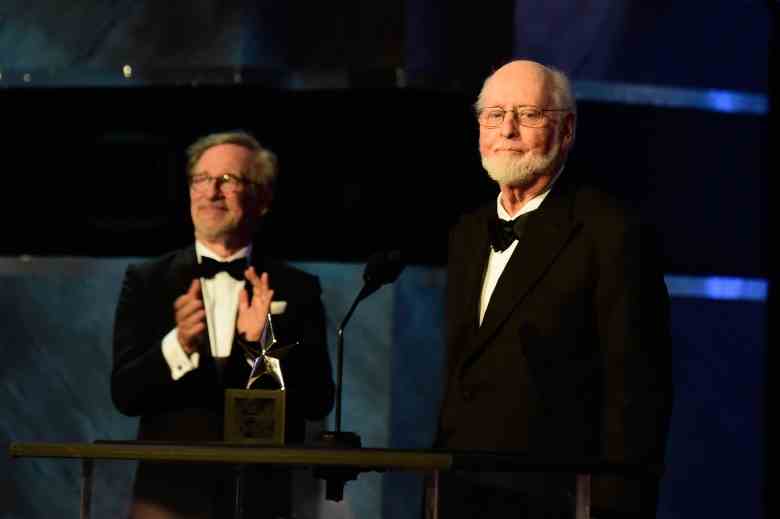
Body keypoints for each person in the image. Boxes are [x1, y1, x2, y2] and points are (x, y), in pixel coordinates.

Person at [433, 60, 673, 518]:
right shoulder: (466, 233)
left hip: (560, 497)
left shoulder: (610, 232)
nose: (508, 129)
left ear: (566, 130)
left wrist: (614, 505)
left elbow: (637, 390)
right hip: (461, 490)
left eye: (528, 114)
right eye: (494, 114)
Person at [111, 131, 335, 519]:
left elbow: (317, 400)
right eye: (201, 179)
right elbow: (125, 396)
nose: (212, 191)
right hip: (164, 502)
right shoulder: (147, 281)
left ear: (263, 199)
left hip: (257, 501)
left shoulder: (297, 288)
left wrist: (261, 348)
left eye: (228, 180)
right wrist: (178, 345)